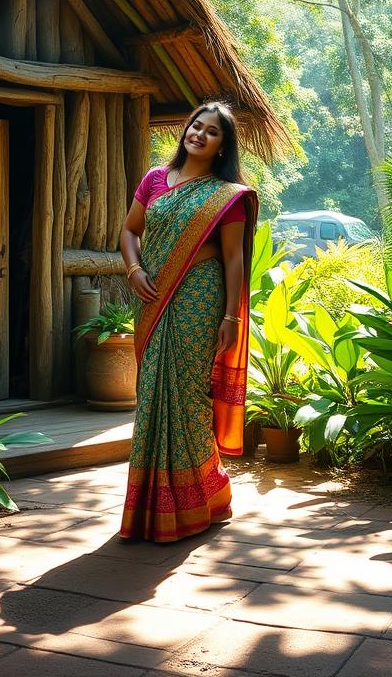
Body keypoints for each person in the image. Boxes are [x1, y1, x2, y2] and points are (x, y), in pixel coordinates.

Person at [118, 102, 259, 542]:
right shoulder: (154, 180)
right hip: (153, 295)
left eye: (211, 131)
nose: (198, 134)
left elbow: (234, 258)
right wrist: (134, 269)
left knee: (186, 394)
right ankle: (149, 505)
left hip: (200, 297)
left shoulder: (226, 195)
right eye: (196, 126)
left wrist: (231, 315)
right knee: (152, 393)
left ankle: (203, 497)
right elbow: (128, 231)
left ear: (222, 146)